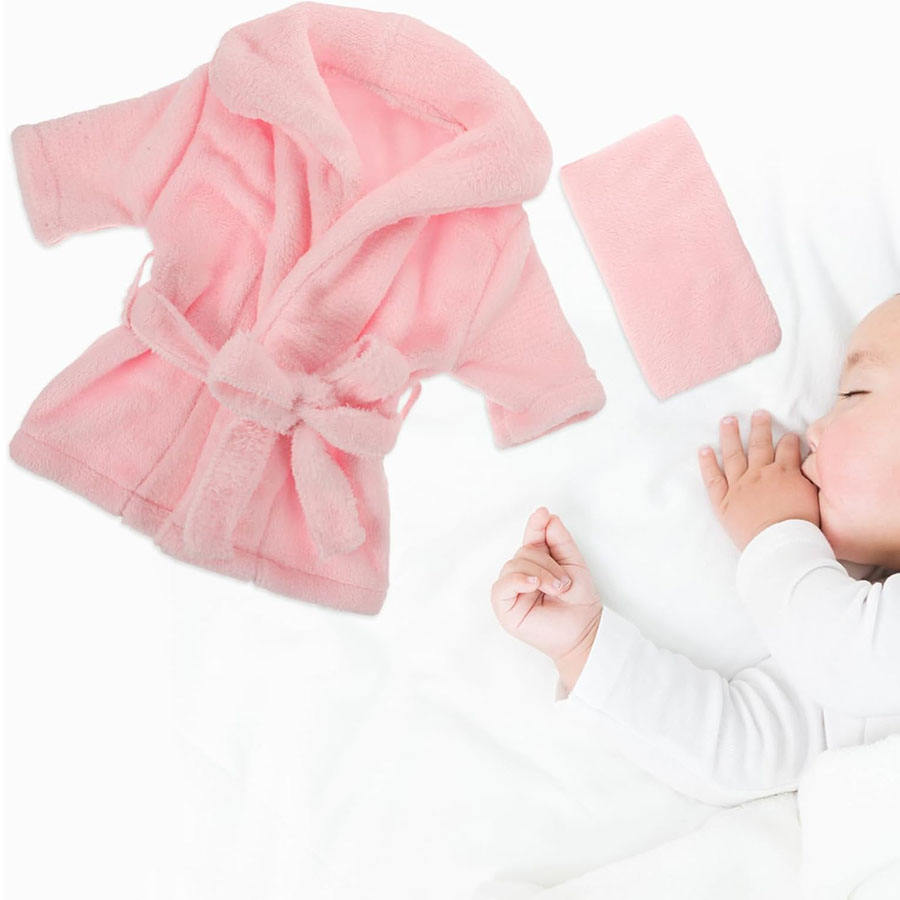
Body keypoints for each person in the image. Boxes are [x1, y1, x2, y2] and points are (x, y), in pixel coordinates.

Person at [490, 293, 900, 807]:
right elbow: (745, 749)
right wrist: (586, 647)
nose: (814, 430)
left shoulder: (849, 651)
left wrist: (776, 531)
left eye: (856, 393)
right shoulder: (858, 643)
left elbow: (842, 655)